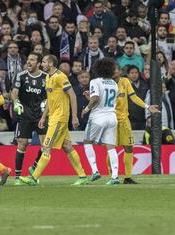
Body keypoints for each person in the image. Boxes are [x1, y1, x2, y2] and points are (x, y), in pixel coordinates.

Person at [20, 54, 87, 186]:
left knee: (46, 146)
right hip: (53, 116)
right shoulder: (48, 77)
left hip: (60, 117)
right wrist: (43, 117)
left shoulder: (60, 76)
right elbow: (51, 100)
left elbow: (72, 95)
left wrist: (74, 116)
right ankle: (83, 176)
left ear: (50, 64)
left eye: (44, 62)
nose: (42, 64)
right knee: (67, 146)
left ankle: (33, 178)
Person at [113, 64, 159, 184]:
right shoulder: (104, 83)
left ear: (119, 71)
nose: (115, 71)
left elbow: (133, 97)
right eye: (113, 69)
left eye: (116, 69)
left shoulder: (125, 81)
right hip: (111, 120)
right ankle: (112, 176)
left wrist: (147, 106)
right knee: (111, 149)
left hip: (124, 120)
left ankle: (128, 177)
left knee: (129, 147)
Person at [81, 58, 120, 185]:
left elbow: (96, 98)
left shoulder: (95, 81)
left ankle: (95, 171)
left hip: (98, 117)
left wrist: (86, 108)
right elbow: (104, 99)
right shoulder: (114, 84)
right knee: (111, 147)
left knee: (87, 142)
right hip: (112, 117)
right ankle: (114, 177)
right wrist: (90, 98)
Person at [11, 53, 47, 185]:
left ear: (38, 63)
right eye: (28, 59)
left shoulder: (46, 77)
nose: (29, 62)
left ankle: (34, 167)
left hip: (40, 116)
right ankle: (17, 177)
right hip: (25, 115)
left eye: (32, 60)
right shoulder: (21, 76)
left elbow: (49, 95)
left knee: (45, 145)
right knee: (22, 143)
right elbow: (14, 92)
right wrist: (16, 102)